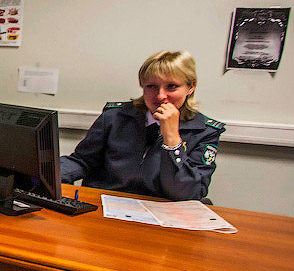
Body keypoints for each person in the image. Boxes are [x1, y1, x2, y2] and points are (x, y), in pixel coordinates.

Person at [60, 50, 224, 201]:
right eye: (151, 86)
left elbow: (187, 193)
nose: (160, 96)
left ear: (190, 87)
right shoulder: (115, 116)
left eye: (172, 86)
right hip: (104, 205)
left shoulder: (204, 131)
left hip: (161, 216)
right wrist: (43, 174)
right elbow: (82, 161)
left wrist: (172, 139)